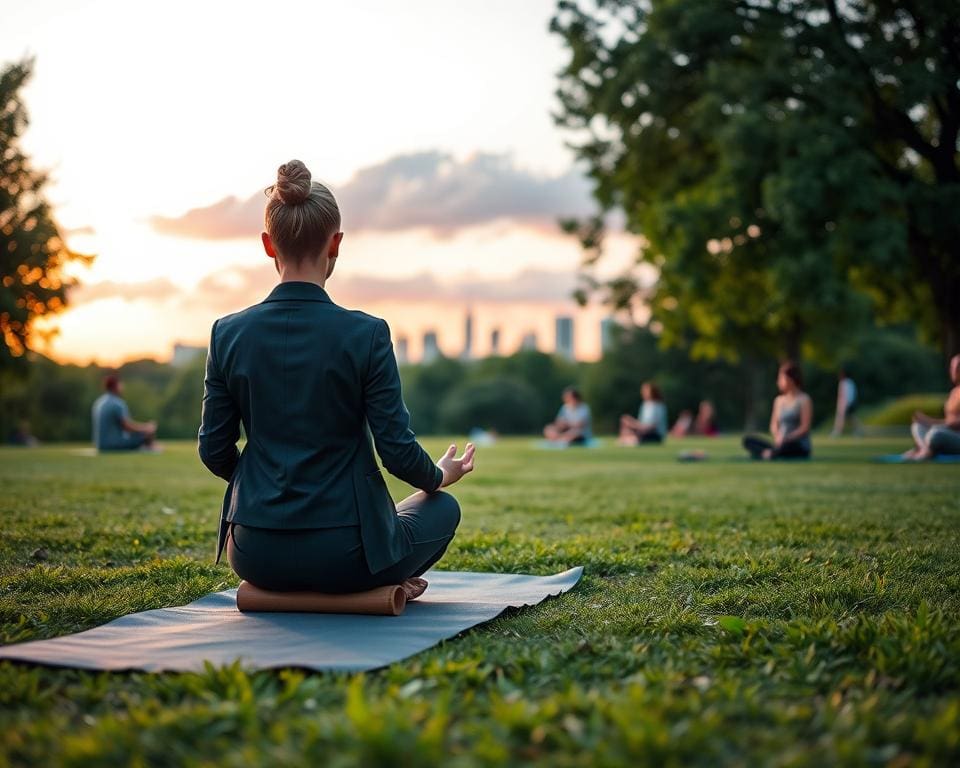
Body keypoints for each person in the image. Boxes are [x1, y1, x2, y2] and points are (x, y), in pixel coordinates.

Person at [199, 160, 475, 599]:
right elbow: (397, 452)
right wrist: (439, 475)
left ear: (269, 245)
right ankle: (381, 579)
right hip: (348, 555)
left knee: (400, 517)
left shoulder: (227, 333)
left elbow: (213, 450)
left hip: (255, 554)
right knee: (442, 508)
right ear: (336, 244)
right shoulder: (366, 333)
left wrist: (261, 484)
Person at [742, 361, 813, 460]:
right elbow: (773, 425)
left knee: (789, 447)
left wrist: (788, 438)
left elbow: (804, 427)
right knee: (748, 440)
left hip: (796, 443)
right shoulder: (778, 400)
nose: (778, 382)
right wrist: (777, 436)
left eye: (781, 378)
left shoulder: (804, 399)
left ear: (791, 379)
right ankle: (771, 453)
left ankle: (769, 453)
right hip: (780, 442)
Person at [902, 354, 960, 460]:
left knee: (936, 433)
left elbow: (955, 424)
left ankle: (924, 451)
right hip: (948, 432)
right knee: (918, 426)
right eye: (952, 367)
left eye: (957, 367)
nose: (953, 371)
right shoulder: (954, 392)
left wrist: (929, 422)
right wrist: (926, 423)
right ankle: (925, 450)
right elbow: (949, 421)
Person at [91, 374, 157, 451]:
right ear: (116, 386)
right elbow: (127, 427)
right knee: (147, 433)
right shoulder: (117, 403)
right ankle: (151, 448)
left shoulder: (99, 402)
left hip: (100, 445)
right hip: (113, 444)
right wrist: (146, 427)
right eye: (120, 384)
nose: (122, 387)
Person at [831, 368, 862, 436]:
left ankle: (838, 431)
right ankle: (857, 430)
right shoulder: (846, 382)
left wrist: (846, 404)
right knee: (850, 417)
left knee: (844, 417)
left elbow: (847, 395)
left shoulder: (846, 383)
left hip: (846, 403)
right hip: (845, 403)